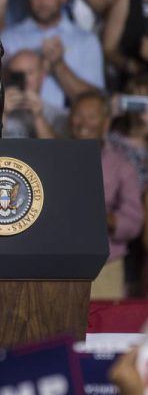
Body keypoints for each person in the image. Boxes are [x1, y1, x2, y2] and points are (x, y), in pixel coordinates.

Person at [69, 92, 143, 299]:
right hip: (60, 264)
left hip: (105, 267)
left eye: (92, 117)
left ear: (106, 122)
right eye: (78, 115)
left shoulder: (122, 165)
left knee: (104, 319)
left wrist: (107, 219)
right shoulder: (53, 160)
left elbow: (134, 221)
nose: (83, 123)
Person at [0, 0, 105, 111]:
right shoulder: (9, 38)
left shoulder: (86, 41)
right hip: (18, 121)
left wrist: (59, 66)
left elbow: (95, 103)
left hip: (66, 123)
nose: (42, 3)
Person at [0, 49, 66, 138]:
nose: (25, 79)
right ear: (8, 77)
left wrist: (38, 117)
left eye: (30, 73)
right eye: (18, 74)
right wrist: (2, 113)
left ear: (42, 75)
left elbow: (56, 147)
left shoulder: (57, 116)